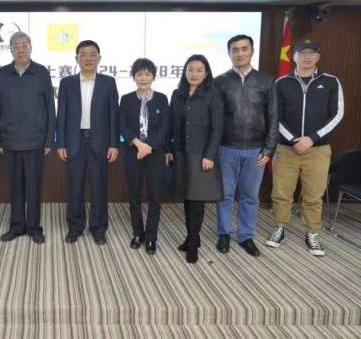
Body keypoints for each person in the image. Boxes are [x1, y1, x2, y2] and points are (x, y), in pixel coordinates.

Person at [266, 39, 344, 257]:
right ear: (294, 56)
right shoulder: (281, 82)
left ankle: (312, 233)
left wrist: (312, 138)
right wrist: (293, 140)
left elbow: (337, 114)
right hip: (286, 149)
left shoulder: (331, 81)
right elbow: (274, 115)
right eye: (302, 52)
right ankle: (279, 227)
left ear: (318, 55)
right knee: (281, 193)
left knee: (313, 195)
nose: (307, 56)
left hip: (318, 150)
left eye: (311, 52)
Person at [214, 35, 278, 257]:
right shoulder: (219, 81)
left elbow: (273, 116)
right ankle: (224, 233)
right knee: (224, 194)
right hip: (226, 148)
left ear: (252, 51)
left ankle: (246, 236)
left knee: (250, 196)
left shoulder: (266, 81)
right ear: (229, 53)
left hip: (256, 150)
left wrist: (268, 150)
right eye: (235, 49)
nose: (239, 53)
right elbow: (215, 118)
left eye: (244, 49)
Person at [0, 31, 56, 244]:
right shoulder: (2, 74)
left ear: (31, 48)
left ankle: (34, 228)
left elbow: (50, 107)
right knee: (15, 187)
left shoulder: (41, 73)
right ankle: (16, 226)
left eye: (25, 45)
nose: (21, 49)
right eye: (17, 46)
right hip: (9, 141)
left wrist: (49, 139)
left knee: (34, 188)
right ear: (10, 49)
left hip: (35, 141)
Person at [56, 40, 119, 245]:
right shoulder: (67, 83)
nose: (88, 58)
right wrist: (61, 143)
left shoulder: (108, 82)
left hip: (100, 143)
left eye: (92, 54)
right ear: (77, 59)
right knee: (75, 188)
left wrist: (114, 144)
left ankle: (99, 229)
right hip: (74, 142)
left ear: (99, 58)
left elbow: (113, 115)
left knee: (99, 188)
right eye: (83, 54)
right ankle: (75, 227)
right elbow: (61, 114)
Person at [166, 54, 224, 264]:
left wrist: (210, 155)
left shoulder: (213, 94)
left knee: (197, 199)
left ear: (206, 73)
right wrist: (169, 149)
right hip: (181, 152)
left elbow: (218, 128)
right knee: (187, 196)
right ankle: (193, 237)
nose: (194, 73)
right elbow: (171, 124)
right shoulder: (177, 94)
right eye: (190, 69)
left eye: (199, 70)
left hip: (201, 155)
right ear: (185, 71)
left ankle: (192, 244)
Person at [118, 58, 169, 254]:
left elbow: (165, 127)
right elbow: (122, 124)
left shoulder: (162, 99)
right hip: (133, 152)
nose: (143, 78)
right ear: (134, 77)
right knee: (134, 194)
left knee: (155, 195)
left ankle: (151, 237)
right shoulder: (126, 99)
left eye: (147, 74)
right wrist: (138, 144)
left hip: (155, 153)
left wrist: (148, 146)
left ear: (153, 77)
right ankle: (138, 233)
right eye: (139, 74)